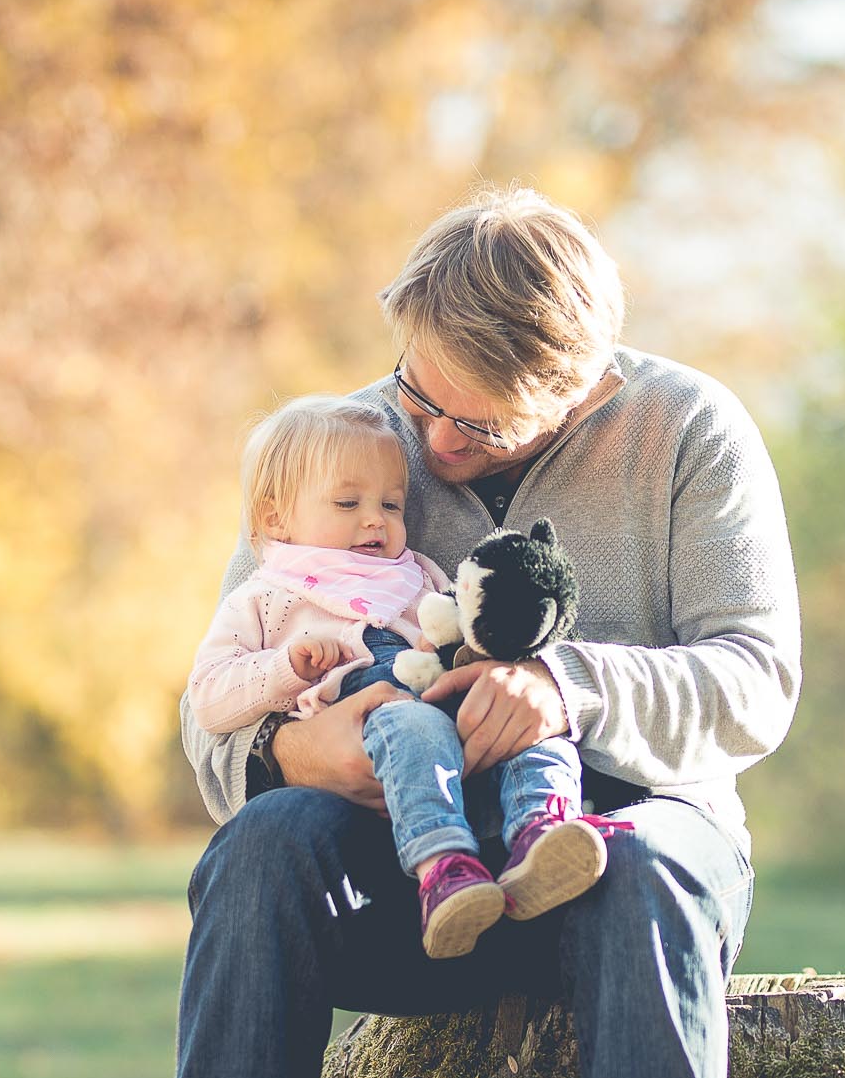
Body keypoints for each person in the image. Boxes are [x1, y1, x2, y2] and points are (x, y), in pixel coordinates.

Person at [98, 188, 801, 1078]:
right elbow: (218, 704)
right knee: (261, 851)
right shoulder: (349, 442)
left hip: (627, 837)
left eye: (467, 424)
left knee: (641, 865)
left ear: (579, 388)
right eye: (416, 387)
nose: (423, 440)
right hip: (419, 868)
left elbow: (757, 683)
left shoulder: (689, 433)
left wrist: (569, 688)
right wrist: (301, 756)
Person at [185, 394, 611, 959]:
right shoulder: (267, 595)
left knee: (526, 720)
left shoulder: (417, 576)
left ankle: (545, 830)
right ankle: (444, 867)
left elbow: (452, 634)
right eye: (346, 502)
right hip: (370, 719)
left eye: (391, 504)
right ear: (274, 518)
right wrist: (284, 668)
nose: (374, 519)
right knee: (410, 726)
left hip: (443, 699)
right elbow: (209, 697)